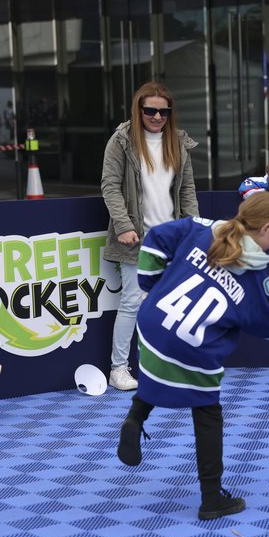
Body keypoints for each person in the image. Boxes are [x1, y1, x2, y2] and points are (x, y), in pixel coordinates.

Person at [116, 192, 269, 521]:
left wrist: (153, 284)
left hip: (152, 325)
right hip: (190, 346)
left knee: (158, 370)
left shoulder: (202, 229)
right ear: (267, 228)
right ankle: (212, 497)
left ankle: (135, 418)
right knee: (207, 412)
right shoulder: (255, 280)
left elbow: (155, 239)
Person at [102, 81, 199, 391]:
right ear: (139, 109)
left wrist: (193, 228)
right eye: (150, 110)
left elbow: (186, 190)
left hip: (172, 237)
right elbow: (110, 186)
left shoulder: (178, 143)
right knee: (132, 302)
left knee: (170, 305)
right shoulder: (121, 142)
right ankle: (119, 368)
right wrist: (124, 225)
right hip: (136, 239)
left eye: (164, 111)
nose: (157, 116)